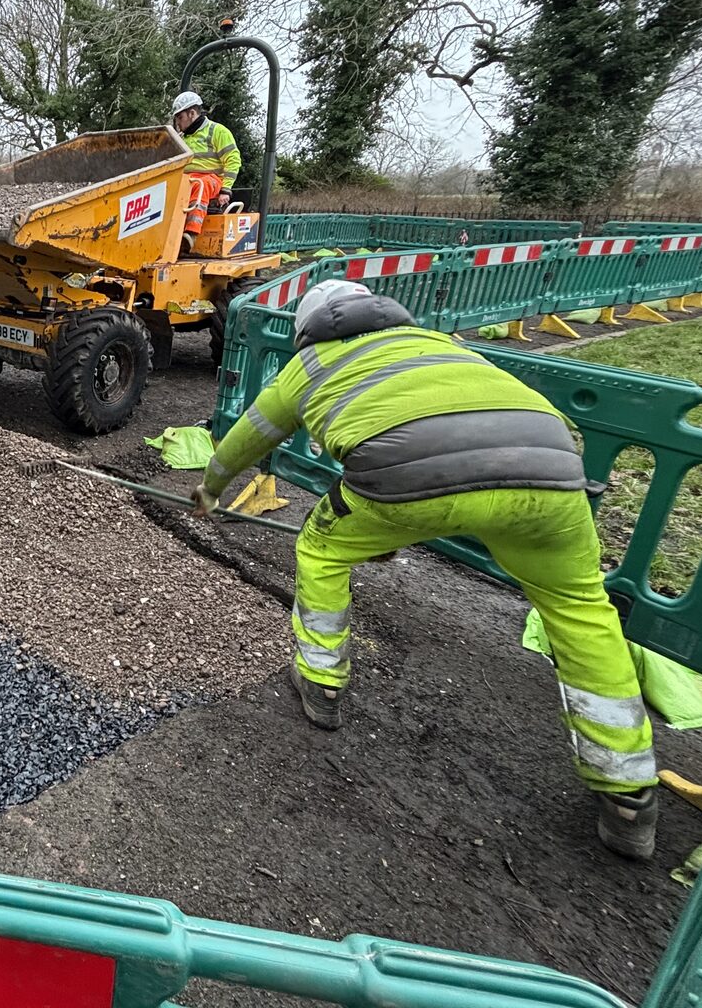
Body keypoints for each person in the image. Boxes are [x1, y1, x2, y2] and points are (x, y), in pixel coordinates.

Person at [192, 278, 659, 859]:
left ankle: (320, 679)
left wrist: (210, 489)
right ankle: (628, 788)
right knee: (581, 611)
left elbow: (247, 438)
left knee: (321, 549)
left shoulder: (309, 366)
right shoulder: (441, 343)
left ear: (307, 330)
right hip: (552, 476)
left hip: (405, 475)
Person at [170, 91, 241, 254]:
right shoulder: (182, 139)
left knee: (200, 184)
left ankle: (190, 235)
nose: (178, 123)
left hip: (212, 180)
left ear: (192, 113)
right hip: (187, 180)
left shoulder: (217, 131)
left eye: (180, 118)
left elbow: (233, 160)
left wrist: (226, 189)